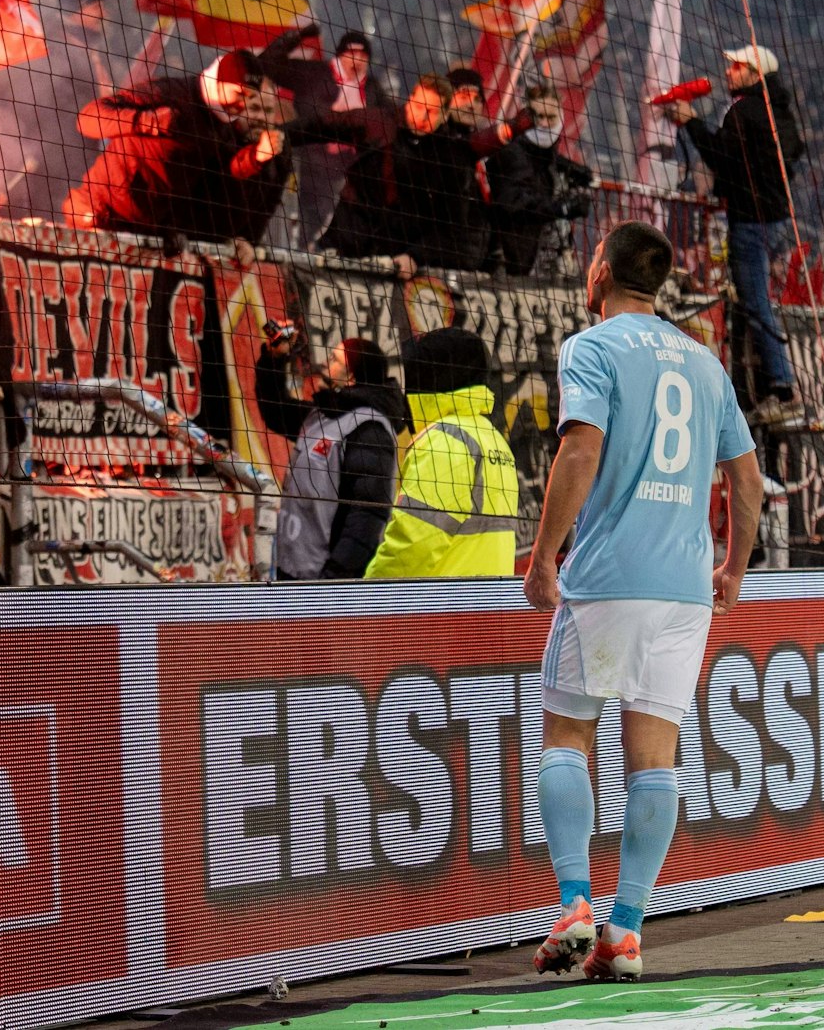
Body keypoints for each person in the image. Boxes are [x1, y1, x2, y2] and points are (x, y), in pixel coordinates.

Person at [524, 221, 763, 981]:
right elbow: (748, 478)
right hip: (685, 590)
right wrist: (734, 568)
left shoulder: (591, 347)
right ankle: (625, 930)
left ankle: (573, 903)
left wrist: (543, 555)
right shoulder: (705, 362)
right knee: (654, 758)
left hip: (609, 578)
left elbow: (583, 447)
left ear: (600, 270)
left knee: (567, 734)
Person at [665, 45, 805, 424]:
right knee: (752, 302)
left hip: (751, 220)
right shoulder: (781, 112)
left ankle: (782, 388)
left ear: (755, 74)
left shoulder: (744, 111)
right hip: (773, 219)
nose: (729, 72)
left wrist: (690, 122)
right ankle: (762, 386)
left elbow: (720, 156)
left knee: (755, 303)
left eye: (738, 67)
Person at [292, 70, 509, 272]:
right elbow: (322, 125)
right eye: (418, 106)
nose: (422, 117)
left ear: (444, 114)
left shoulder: (450, 157)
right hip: (344, 247)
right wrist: (281, 135)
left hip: (399, 263)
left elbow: (452, 225)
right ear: (410, 100)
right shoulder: (379, 123)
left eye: (431, 111)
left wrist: (416, 256)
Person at [65, 49, 289, 245]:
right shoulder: (168, 92)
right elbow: (87, 118)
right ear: (218, 82)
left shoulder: (224, 129)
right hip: (99, 216)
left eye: (249, 99)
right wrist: (147, 121)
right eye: (239, 94)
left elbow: (221, 179)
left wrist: (255, 157)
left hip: (147, 235)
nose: (242, 105)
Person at [364, 326, 518, 579]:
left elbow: (415, 541)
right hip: (485, 601)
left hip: (440, 604)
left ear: (429, 375)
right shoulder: (492, 438)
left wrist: (368, 594)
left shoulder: (442, 441)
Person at [255, 330, 402, 580]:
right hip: (290, 569)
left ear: (352, 378)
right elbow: (274, 409)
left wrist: (335, 579)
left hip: (321, 580)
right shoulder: (320, 415)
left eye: (335, 360)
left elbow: (367, 516)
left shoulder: (369, 430)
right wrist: (274, 358)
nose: (325, 364)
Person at [257, 24, 393, 248]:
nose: (356, 60)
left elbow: (390, 120)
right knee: (286, 216)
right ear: (340, 55)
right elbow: (266, 65)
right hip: (304, 164)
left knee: (324, 228)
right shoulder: (314, 73)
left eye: (362, 55)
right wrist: (295, 37)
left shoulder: (373, 89)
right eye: (351, 54)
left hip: (346, 173)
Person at [482, 84, 594, 276]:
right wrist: (561, 208)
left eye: (549, 117)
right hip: (516, 261)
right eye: (537, 116)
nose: (542, 123)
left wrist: (567, 166)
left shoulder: (546, 154)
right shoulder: (508, 150)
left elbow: (539, 158)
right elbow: (515, 202)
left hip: (545, 260)